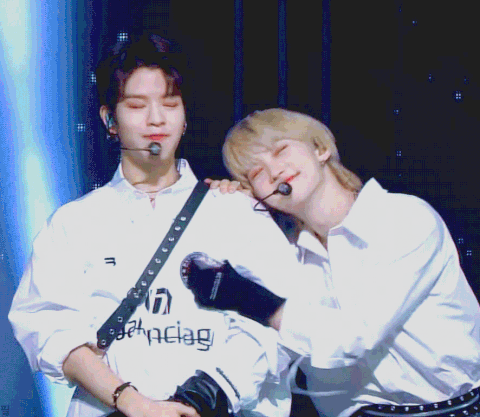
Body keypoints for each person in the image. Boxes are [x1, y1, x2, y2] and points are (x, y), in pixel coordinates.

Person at [8, 36, 299, 417]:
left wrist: (202, 396)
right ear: (110, 120)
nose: (156, 119)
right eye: (136, 105)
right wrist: (131, 401)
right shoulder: (73, 223)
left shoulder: (236, 212)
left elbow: (282, 318)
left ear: (185, 116)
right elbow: (47, 326)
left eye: (170, 104)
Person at [186, 108, 480, 417]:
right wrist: (232, 206)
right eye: (256, 172)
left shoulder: (404, 219)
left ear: (320, 149)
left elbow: (356, 337)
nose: (274, 171)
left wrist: (257, 302)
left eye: (281, 150)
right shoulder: (285, 252)